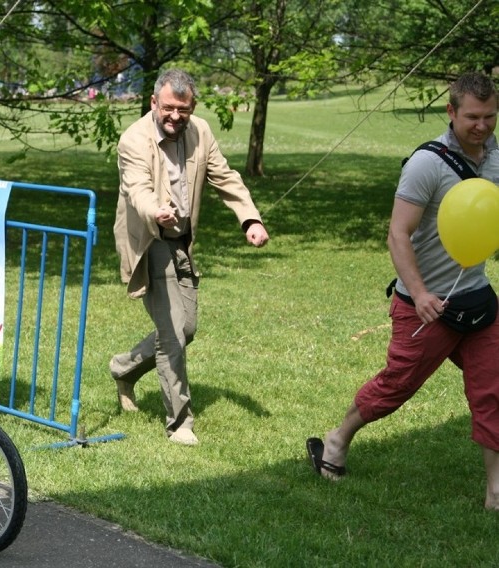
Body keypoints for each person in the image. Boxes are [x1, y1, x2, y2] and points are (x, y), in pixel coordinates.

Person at [306, 72, 499, 510]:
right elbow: (398, 234)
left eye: (490, 116)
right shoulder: (426, 164)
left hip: (478, 300)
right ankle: (337, 439)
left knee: (493, 391)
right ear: (451, 112)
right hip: (426, 306)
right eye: (472, 116)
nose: (482, 126)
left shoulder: (497, 161)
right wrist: (420, 292)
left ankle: (495, 492)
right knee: (395, 388)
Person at [110, 69, 270, 445]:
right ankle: (179, 422)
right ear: (153, 103)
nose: (175, 117)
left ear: (192, 106)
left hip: (182, 240)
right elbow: (137, 189)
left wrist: (250, 217)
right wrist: (156, 211)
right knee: (172, 333)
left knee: (187, 329)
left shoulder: (199, 131)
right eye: (168, 108)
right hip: (151, 239)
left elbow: (225, 176)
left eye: (182, 109)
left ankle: (124, 367)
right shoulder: (133, 140)